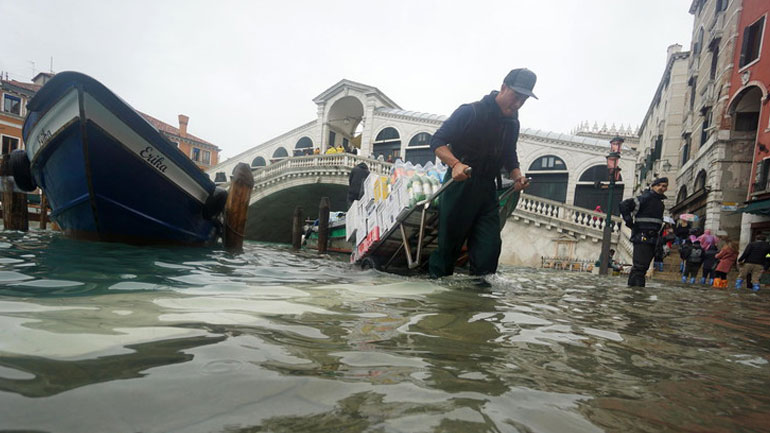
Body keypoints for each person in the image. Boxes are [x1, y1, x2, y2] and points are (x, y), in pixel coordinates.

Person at [428, 68, 537, 278]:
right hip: (460, 184)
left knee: (489, 249)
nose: (518, 104)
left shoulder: (513, 122)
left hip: (488, 190)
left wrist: (517, 177)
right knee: (447, 250)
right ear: (503, 88)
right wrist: (455, 164)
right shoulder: (470, 111)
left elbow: (509, 155)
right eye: (516, 96)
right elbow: (437, 141)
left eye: (523, 100)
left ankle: (481, 303)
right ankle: (438, 301)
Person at [620, 177, 668, 287]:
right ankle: (637, 295)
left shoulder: (660, 204)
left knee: (641, 268)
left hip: (652, 238)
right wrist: (629, 222)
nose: (661, 188)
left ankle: (633, 292)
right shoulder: (644, 198)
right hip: (642, 236)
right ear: (653, 186)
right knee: (640, 268)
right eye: (659, 185)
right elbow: (623, 205)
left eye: (664, 186)